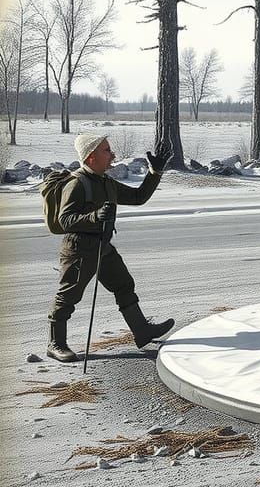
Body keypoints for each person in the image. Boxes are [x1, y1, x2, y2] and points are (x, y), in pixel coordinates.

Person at [46, 133, 174, 363]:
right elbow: (65, 220)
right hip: (79, 250)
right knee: (68, 296)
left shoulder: (105, 181)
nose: (113, 155)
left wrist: (155, 173)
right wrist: (95, 216)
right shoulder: (77, 183)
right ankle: (56, 343)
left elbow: (137, 197)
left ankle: (142, 331)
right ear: (91, 156)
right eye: (107, 150)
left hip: (102, 247)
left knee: (123, 284)